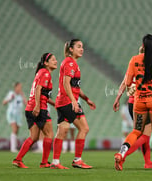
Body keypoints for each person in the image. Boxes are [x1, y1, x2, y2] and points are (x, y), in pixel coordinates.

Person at [114, 34, 152, 171]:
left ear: (142, 45)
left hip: (138, 101)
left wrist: (117, 98)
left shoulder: (134, 60)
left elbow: (127, 82)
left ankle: (121, 152)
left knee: (136, 131)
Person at [51, 39, 96, 169]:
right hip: (67, 102)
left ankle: (55, 162)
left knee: (62, 131)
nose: (82, 49)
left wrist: (87, 99)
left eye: (82, 47)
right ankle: (77, 160)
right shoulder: (70, 63)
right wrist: (74, 102)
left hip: (62, 102)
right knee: (84, 128)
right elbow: (66, 84)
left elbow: (74, 86)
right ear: (71, 49)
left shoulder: (71, 63)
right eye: (78, 47)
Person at [12, 53, 57, 168]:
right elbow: (38, 89)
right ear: (46, 63)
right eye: (53, 60)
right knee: (49, 134)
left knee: (34, 137)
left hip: (30, 108)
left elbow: (43, 95)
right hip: (39, 108)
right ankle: (44, 162)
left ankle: (18, 159)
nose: (56, 61)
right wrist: (37, 106)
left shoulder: (40, 73)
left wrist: (55, 104)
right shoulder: (45, 73)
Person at [3, 82, 27, 152]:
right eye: (19, 87)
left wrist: (23, 96)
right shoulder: (11, 94)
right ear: (15, 87)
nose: (20, 88)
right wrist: (10, 98)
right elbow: (4, 102)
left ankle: (14, 146)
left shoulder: (21, 96)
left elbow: (26, 104)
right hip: (11, 113)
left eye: (21, 87)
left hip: (18, 115)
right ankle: (13, 148)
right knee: (14, 129)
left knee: (16, 130)